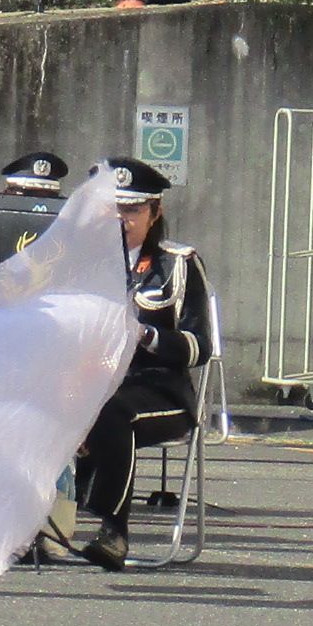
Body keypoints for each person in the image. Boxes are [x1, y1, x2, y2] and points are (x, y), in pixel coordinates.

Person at [72, 160, 211, 570]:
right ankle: (26, 527)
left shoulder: (178, 264)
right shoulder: (81, 262)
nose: (121, 219)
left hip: (157, 388)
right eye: (113, 209)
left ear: (155, 213)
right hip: (94, 381)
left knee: (112, 412)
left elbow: (199, 346)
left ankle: (115, 530)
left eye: (132, 210)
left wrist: (147, 336)